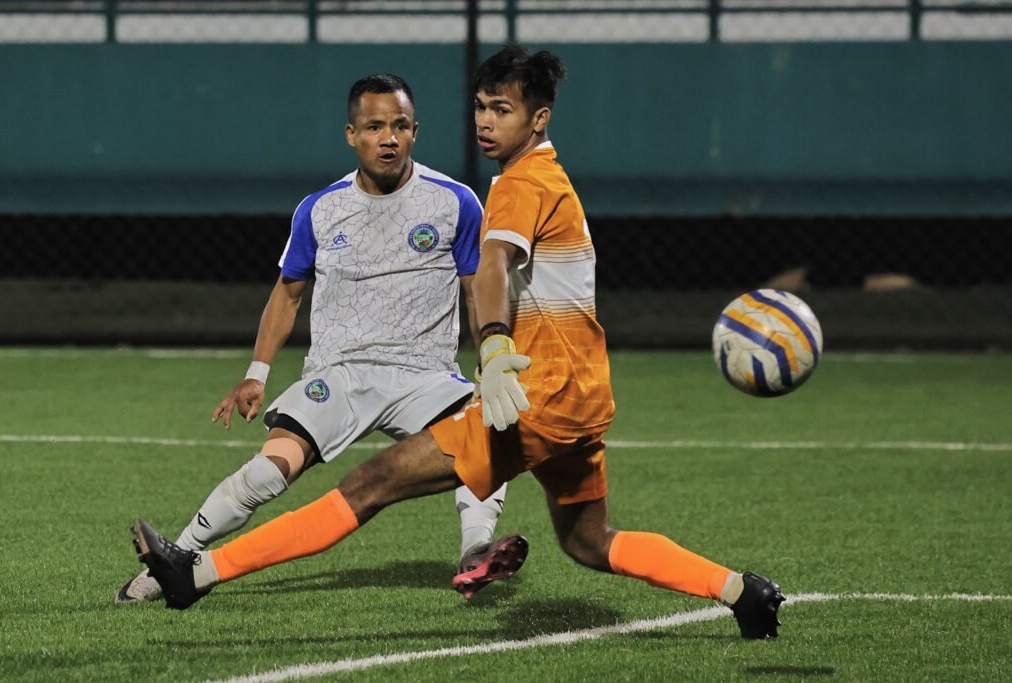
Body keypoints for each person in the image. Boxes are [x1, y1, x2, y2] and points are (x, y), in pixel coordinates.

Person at [131, 46, 785, 640]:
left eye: (503, 109)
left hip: (539, 395)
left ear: (539, 119)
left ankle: (197, 574)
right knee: (590, 541)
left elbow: (492, 266)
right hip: (583, 397)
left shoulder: (520, 184)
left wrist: (494, 347)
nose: (485, 121)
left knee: (371, 482)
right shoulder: (543, 179)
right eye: (480, 106)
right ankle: (740, 591)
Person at [117, 73, 525, 604]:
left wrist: (491, 357)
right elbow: (287, 295)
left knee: (490, 433)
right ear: (351, 134)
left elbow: (477, 291)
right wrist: (256, 374)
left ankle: (476, 551)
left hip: (424, 375)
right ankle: (174, 563)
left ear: (415, 131)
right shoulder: (320, 209)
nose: (389, 138)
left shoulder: (455, 202)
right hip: (340, 373)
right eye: (374, 127)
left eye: (400, 125)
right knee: (268, 471)